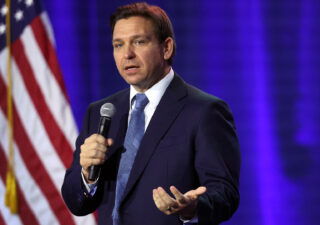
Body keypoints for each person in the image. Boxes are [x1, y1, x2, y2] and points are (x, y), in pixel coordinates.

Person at [61, 2, 241, 225]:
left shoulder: (204, 111)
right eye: (118, 45)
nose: (127, 54)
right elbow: (76, 204)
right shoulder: (100, 112)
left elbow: (225, 193)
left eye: (139, 42)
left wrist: (191, 208)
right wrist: (88, 175)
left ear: (166, 48)